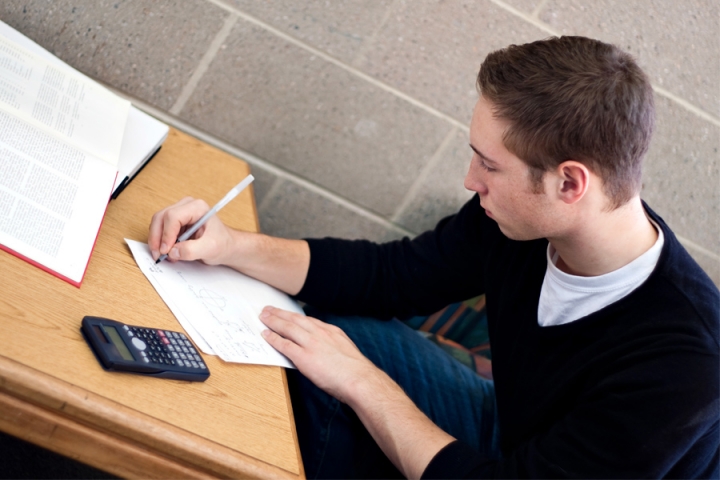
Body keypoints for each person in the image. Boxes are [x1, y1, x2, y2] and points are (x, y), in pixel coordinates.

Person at [148, 36, 719, 478]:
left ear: (570, 184)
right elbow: (390, 277)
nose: (471, 181)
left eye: (490, 166)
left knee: (342, 373)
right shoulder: (519, 222)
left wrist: (364, 384)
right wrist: (232, 246)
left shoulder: (685, 367)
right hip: (511, 430)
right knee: (314, 333)